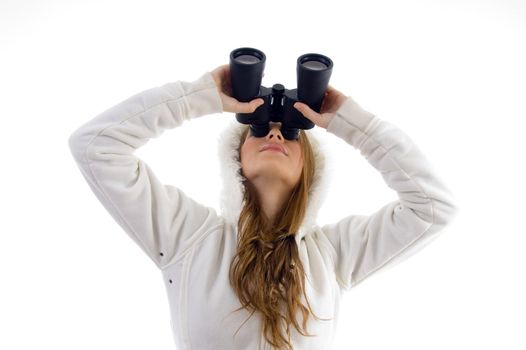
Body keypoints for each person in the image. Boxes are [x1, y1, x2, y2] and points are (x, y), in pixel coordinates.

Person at [68, 63, 458, 350]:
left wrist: (350, 123)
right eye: (258, 128)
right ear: (236, 157)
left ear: (309, 166)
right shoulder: (187, 236)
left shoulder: (335, 255)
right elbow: (95, 147)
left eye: (289, 132)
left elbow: (433, 207)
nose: (274, 131)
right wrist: (200, 97)